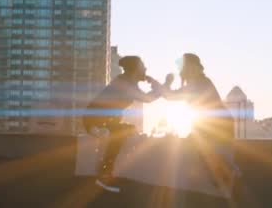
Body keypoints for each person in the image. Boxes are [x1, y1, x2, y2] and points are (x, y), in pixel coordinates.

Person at [163, 53, 240, 195]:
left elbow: (171, 96)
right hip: (214, 125)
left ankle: (228, 177)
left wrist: (167, 82)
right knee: (208, 154)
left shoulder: (199, 83)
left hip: (216, 125)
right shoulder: (200, 82)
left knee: (209, 153)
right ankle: (226, 178)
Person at [83, 55, 164, 192]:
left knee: (129, 129)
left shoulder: (126, 81)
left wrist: (154, 84)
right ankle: (104, 176)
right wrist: (159, 86)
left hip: (99, 120)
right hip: (97, 121)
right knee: (121, 133)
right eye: (143, 67)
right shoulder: (126, 83)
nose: (146, 69)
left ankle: (104, 173)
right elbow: (148, 98)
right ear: (136, 70)